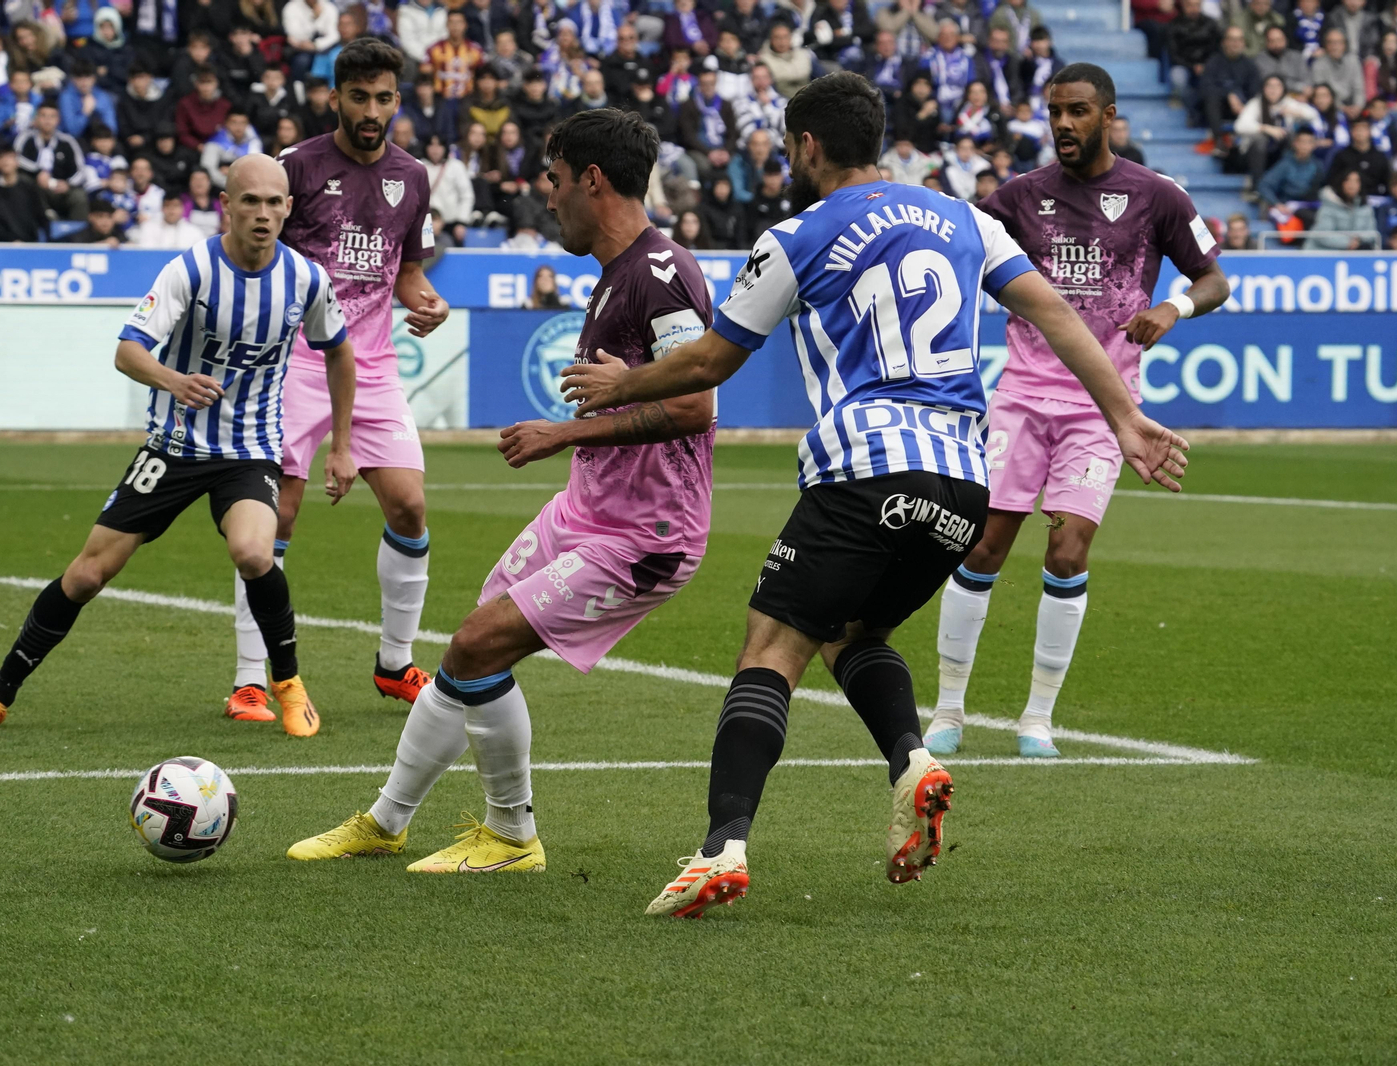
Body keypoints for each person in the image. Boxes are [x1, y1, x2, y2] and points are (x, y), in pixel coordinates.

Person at [558, 71, 1192, 917]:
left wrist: (623, 382)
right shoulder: (966, 218)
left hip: (865, 468)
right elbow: (1057, 314)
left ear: (808, 145)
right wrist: (1126, 417)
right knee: (853, 633)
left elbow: (710, 361)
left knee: (770, 649)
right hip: (961, 483)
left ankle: (721, 849)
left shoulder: (795, 236)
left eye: (792, 146)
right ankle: (912, 762)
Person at [285, 108, 718, 876]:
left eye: (555, 180)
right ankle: (390, 823)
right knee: (471, 648)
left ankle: (511, 836)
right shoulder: (617, 274)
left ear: (592, 180)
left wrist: (566, 432)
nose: (547, 198)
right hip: (587, 512)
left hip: (647, 534)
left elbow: (696, 405)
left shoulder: (662, 273)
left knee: (479, 645)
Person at [0, 155, 355, 735]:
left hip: (249, 451)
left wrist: (341, 444)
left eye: (273, 203)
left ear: (289, 207)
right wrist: (174, 380)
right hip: (173, 447)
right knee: (87, 575)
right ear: (226, 205)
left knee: (254, 553)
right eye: (250, 201)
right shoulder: (190, 270)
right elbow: (128, 350)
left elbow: (340, 352)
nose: (263, 214)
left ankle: (288, 685)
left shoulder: (306, 279)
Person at [921, 63, 1228, 759]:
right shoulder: (1018, 198)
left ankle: (1037, 720)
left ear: (1108, 115)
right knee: (983, 545)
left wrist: (1172, 307)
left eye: (1078, 111)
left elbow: (1214, 278)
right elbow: (955, 252)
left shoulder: (1158, 196)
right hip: (1022, 398)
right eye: (1055, 111)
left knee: (1067, 551)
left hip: (1101, 411)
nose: (1063, 123)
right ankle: (948, 709)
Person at [227, 39, 449, 722]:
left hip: (372, 363)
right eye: (359, 97)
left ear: (397, 101)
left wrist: (426, 301)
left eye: (383, 98)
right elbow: (254, 254)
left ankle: (394, 664)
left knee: (409, 506)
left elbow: (405, 270)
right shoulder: (294, 167)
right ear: (335, 99)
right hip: (295, 360)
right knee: (278, 513)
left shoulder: (413, 177)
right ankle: (250, 679)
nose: (371, 111)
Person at [14, 102, 89, 220]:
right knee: (23, 182)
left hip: (62, 189)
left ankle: (79, 230)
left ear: (58, 120)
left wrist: (68, 184)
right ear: (36, 118)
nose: (47, 120)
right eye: (43, 116)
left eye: (52, 116)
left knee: (79, 196)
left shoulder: (68, 141)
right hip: (35, 187)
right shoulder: (25, 138)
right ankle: (44, 222)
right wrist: (38, 172)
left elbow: (81, 170)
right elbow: (15, 159)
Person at [0, 145, 47, 240]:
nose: (5, 161)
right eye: (1, 157)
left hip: (29, 243)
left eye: (9, 157)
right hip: (2, 244)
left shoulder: (29, 187)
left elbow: (40, 216)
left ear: (17, 162)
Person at [1305, 165, 1377, 246]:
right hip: (1322, 251)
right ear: (1341, 183)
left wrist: (1358, 239)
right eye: (1348, 180)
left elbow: (1372, 233)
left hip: (1353, 251)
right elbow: (1322, 235)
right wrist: (1348, 243)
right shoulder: (1329, 205)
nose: (1352, 185)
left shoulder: (1365, 208)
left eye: (1356, 181)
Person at [1257, 125, 1324, 208]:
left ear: (1314, 145)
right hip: (1287, 204)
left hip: (1308, 205)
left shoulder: (1318, 166)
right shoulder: (1285, 164)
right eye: (1302, 142)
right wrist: (1277, 203)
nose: (1305, 146)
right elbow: (1264, 185)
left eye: (1309, 142)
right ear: (1295, 143)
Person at [202, 105, 262, 187]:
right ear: (226, 123)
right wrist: (231, 185)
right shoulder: (214, 143)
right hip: (219, 187)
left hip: (247, 187)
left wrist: (232, 171)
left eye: (242, 123)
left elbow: (257, 170)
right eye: (234, 122)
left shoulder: (254, 143)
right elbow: (207, 170)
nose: (238, 127)